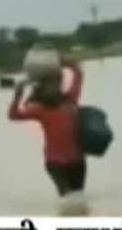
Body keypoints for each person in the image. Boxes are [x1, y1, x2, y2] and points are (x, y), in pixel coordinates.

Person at [8, 59, 85, 198]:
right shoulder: (40, 109)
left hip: (77, 159)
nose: (53, 87)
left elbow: (78, 74)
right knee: (67, 196)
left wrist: (64, 61)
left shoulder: (71, 99)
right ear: (42, 89)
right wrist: (17, 96)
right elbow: (13, 116)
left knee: (78, 197)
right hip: (55, 162)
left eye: (56, 83)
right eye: (49, 85)